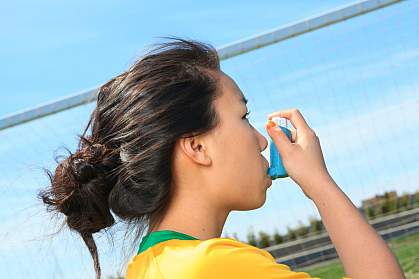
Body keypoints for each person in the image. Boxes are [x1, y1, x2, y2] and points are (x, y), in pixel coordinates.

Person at [38, 37, 404, 279]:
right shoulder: (214, 266)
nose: (261, 141)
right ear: (197, 147)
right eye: (243, 117)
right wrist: (321, 185)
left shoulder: (148, 267)